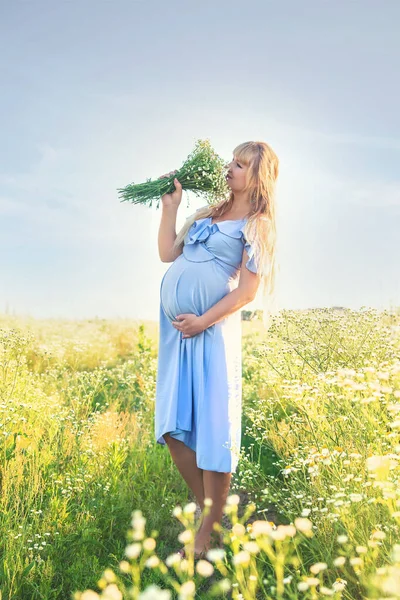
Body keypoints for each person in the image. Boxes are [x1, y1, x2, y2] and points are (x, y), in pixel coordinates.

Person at [155, 140, 279, 560]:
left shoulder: (258, 224)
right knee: (173, 428)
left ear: (257, 176)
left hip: (210, 333)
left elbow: (247, 290)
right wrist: (172, 205)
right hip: (178, 334)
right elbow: (166, 253)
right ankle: (216, 512)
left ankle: (206, 533)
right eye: (231, 161)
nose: (229, 168)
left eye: (240, 164)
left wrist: (203, 321)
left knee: (213, 429)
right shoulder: (209, 213)